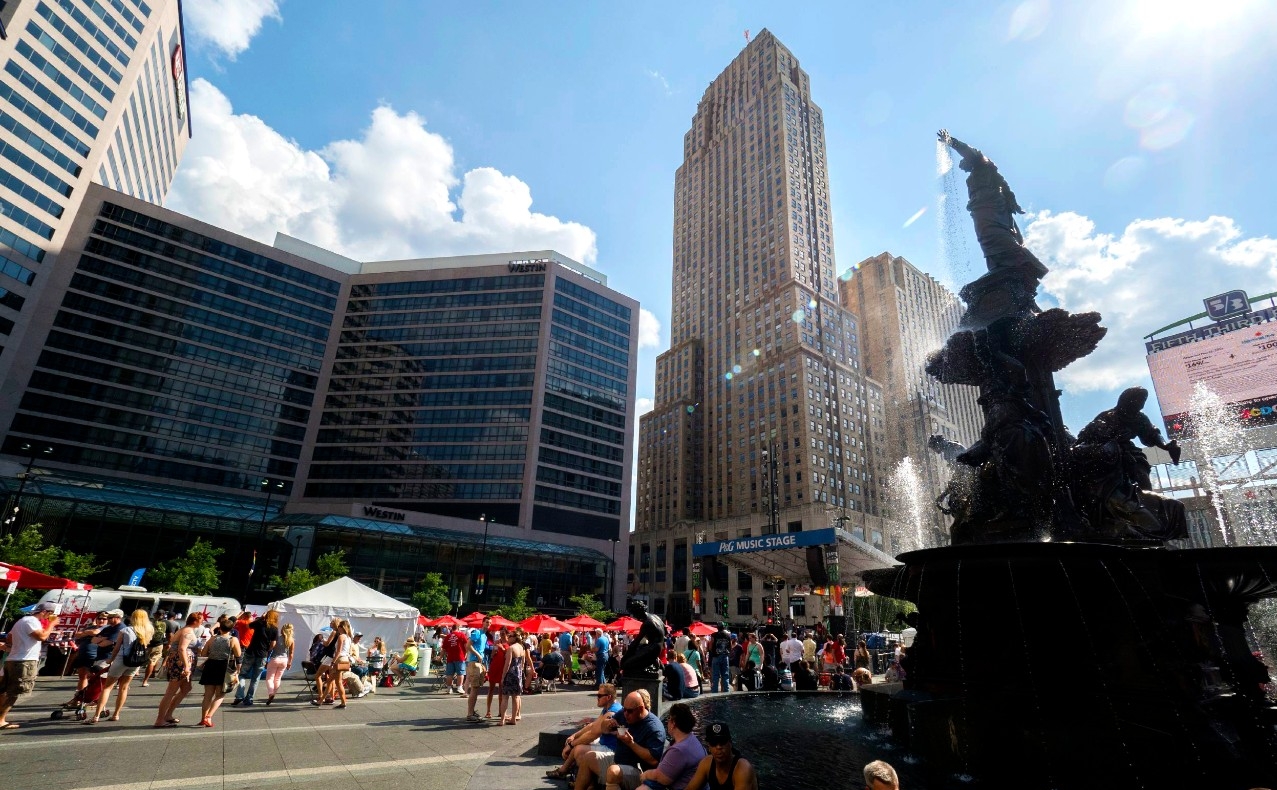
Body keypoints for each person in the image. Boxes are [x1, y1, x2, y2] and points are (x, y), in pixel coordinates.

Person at [573, 689, 665, 790]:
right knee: (588, 757)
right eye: (624, 709)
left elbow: (653, 760)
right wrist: (607, 724)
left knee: (613, 772)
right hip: (618, 760)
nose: (625, 714)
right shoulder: (624, 713)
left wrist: (631, 743)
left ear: (641, 708)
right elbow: (603, 728)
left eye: (629, 711)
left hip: (640, 772)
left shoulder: (654, 728)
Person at [546, 682, 623, 781]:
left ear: (608, 697)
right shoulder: (609, 707)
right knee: (578, 744)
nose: (597, 698)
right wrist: (575, 735)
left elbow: (593, 734)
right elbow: (593, 725)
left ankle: (572, 774)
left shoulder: (612, 713)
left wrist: (571, 745)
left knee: (577, 750)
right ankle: (572, 772)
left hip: (612, 749)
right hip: (605, 743)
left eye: (599, 695)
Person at [88, 608, 153, 724]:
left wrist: (110, 660)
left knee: (108, 687)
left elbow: (117, 648)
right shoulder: (149, 630)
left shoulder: (126, 630)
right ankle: (116, 714)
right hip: (135, 662)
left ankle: (96, 716)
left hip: (121, 660)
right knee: (124, 688)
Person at [0, 604, 60, 729]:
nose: (50, 617)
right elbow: (42, 636)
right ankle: (1, 720)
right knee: (13, 692)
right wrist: (52, 624)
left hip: (14, 659)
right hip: (24, 661)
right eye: (50, 613)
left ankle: (1, 718)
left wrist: (18, 645)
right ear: (44, 612)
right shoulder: (32, 621)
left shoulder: (22, 620)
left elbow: (10, 637)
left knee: (4, 690)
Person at [633, 702, 706, 790]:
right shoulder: (690, 738)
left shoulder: (679, 750)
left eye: (669, 718)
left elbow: (662, 778)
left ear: (673, 723)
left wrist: (646, 774)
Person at [153, 612, 203, 727]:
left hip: (181, 662)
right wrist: (186, 665)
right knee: (171, 691)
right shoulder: (188, 632)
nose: (202, 622)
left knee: (186, 688)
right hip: (180, 663)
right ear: (195, 620)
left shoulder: (186, 630)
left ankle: (168, 715)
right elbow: (182, 649)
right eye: (201, 620)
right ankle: (160, 720)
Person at [683, 722, 759, 790]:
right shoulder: (706, 763)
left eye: (722, 742)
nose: (718, 747)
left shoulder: (743, 769)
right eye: (714, 743)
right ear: (709, 746)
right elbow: (690, 788)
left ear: (730, 744)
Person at [198, 620, 241, 727]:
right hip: (224, 667)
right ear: (231, 629)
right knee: (220, 694)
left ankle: (203, 718)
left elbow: (204, 653)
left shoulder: (212, 639)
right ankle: (209, 717)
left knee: (208, 695)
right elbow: (238, 655)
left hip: (210, 666)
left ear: (220, 628)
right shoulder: (233, 639)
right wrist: (238, 669)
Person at [233, 609, 279, 706]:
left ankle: (239, 695)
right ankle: (249, 698)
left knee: (242, 674)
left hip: (251, 651)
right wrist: (267, 650)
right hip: (262, 654)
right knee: (256, 677)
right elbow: (273, 644)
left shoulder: (260, 623)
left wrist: (261, 618)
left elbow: (248, 625)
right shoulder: (274, 628)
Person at [64, 612, 107, 706]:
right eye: (99, 618)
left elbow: (96, 632)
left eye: (104, 619)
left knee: (94, 679)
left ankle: (92, 699)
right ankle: (77, 698)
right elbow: (77, 634)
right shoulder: (90, 627)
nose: (101, 620)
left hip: (95, 656)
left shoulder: (107, 628)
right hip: (83, 654)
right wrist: (87, 632)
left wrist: (86, 633)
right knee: (82, 677)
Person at [497, 627, 527, 725]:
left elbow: (507, 663)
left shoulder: (511, 648)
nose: (508, 638)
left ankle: (502, 720)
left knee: (505, 697)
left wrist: (503, 676)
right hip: (518, 673)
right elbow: (522, 663)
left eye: (510, 636)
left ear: (514, 638)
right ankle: (514, 718)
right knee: (516, 696)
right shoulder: (521, 647)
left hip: (510, 673)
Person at [263, 622, 295, 704]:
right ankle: (273, 693)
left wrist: (266, 660)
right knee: (277, 679)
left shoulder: (277, 638)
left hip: (274, 659)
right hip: (284, 660)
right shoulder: (291, 640)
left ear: (283, 630)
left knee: (269, 678)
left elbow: (271, 649)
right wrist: (289, 663)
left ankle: (270, 693)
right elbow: (291, 653)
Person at [140, 611, 167, 687]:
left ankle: (134, 673)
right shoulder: (166, 623)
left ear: (155, 615)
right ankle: (145, 680)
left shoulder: (148, 622)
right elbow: (169, 635)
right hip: (158, 644)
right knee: (152, 662)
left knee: (140, 660)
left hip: (146, 643)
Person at [485, 629, 508, 718]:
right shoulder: (496, 642)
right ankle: (488, 711)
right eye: (500, 633)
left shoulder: (509, 644)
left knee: (501, 691)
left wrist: (502, 648)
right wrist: (494, 652)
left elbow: (508, 655)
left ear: (507, 634)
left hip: (503, 668)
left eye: (503, 633)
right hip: (495, 666)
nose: (501, 635)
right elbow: (492, 655)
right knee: (491, 689)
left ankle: (500, 711)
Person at [441, 626, 469, 694]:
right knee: (460, 673)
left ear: (452, 629)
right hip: (460, 657)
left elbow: (443, 649)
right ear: (458, 628)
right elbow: (466, 645)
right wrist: (467, 654)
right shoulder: (462, 635)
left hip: (450, 658)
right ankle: (459, 688)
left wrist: (440, 657)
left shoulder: (448, 636)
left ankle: (449, 689)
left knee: (449, 674)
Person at [708, 623, 732, 693]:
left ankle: (714, 692)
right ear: (724, 627)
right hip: (725, 656)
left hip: (716, 656)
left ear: (717, 628)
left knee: (715, 675)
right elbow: (730, 646)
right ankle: (726, 691)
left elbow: (710, 646)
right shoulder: (728, 635)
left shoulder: (714, 635)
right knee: (725, 675)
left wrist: (713, 652)